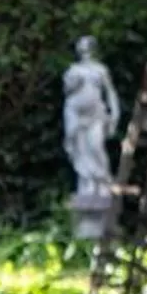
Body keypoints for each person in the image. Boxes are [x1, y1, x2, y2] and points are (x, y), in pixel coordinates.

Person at [61, 36, 121, 197]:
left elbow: (110, 93)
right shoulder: (73, 70)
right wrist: (74, 83)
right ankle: (86, 182)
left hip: (96, 115)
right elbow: (67, 92)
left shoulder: (100, 70)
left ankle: (101, 181)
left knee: (95, 147)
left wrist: (115, 114)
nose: (85, 52)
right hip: (76, 115)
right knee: (81, 150)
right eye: (82, 49)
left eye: (88, 48)